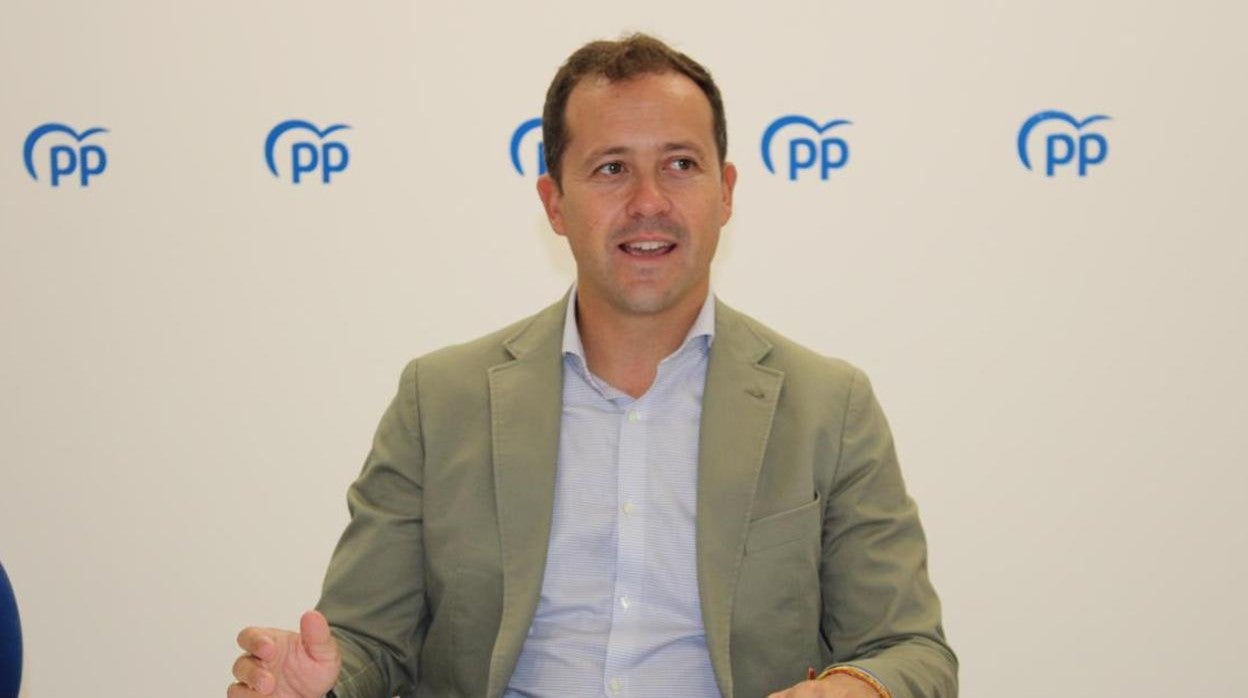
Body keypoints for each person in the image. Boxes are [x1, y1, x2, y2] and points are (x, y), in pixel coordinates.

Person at [229, 33, 957, 698]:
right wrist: (318, 684)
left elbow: (911, 651)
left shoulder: (829, 407)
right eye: (612, 169)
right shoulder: (439, 400)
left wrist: (854, 689)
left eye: (680, 165)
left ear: (726, 192)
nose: (649, 202)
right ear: (554, 203)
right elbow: (367, 644)